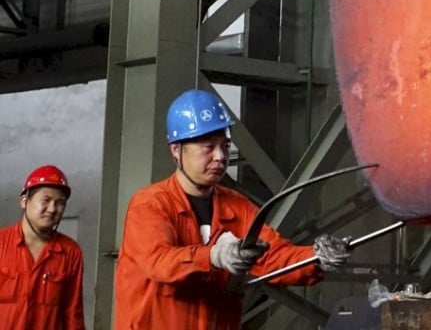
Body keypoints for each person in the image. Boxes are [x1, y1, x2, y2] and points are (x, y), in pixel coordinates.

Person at [114, 89, 352, 329]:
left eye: (225, 146)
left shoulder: (236, 207)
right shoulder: (150, 205)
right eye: (208, 147)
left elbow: (274, 255)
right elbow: (159, 262)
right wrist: (214, 256)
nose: (220, 157)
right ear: (176, 150)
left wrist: (316, 258)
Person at [0, 165, 86, 330]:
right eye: (45, 200)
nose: (53, 209)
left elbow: (73, 313)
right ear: (24, 201)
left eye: (60, 203)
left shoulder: (70, 252)